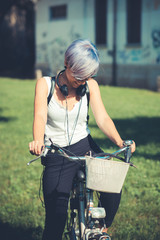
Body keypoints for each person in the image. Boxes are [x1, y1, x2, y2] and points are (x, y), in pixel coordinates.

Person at [29, 39, 136, 240]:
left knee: (112, 187)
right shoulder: (45, 85)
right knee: (56, 220)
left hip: (84, 144)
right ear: (66, 63)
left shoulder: (90, 85)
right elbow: (40, 116)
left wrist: (121, 143)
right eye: (79, 76)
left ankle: (100, 231)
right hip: (56, 151)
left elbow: (102, 118)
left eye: (87, 76)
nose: (83, 81)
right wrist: (37, 140)